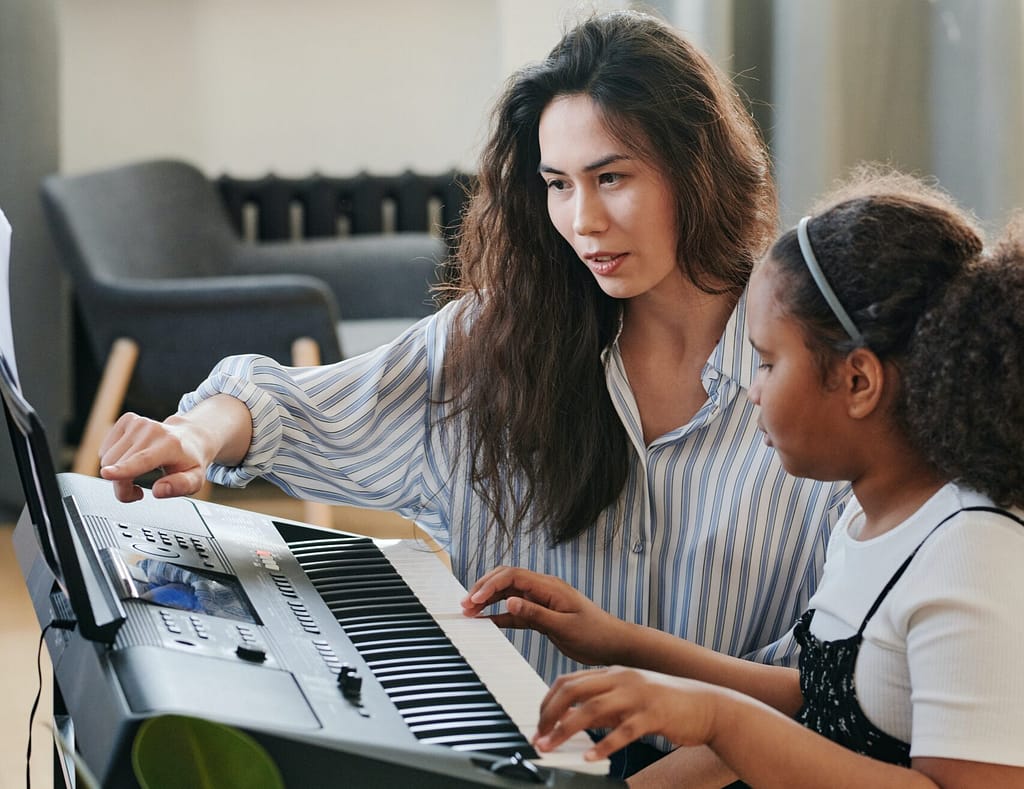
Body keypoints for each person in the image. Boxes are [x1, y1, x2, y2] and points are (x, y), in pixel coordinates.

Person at [97, 10, 849, 775]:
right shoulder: (499, 343)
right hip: (512, 761)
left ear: (698, 168)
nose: (583, 221)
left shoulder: (811, 376)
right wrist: (193, 435)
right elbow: (289, 405)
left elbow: (828, 686)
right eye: (558, 184)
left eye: (611, 177)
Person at [461, 167, 1024, 787]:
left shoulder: (973, 553)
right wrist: (616, 641)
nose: (751, 391)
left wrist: (718, 719)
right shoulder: (868, 521)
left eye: (767, 361)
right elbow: (824, 699)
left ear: (858, 382)